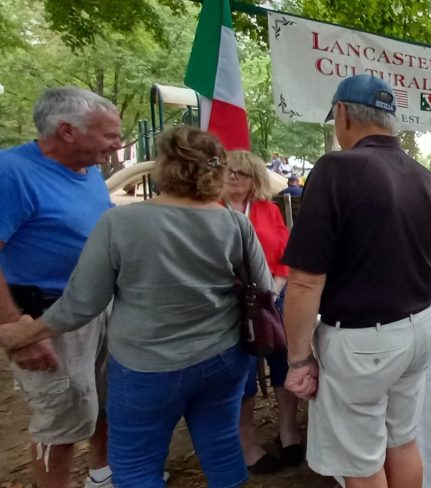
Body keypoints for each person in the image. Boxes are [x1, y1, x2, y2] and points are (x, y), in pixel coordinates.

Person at [0, 126, 274, 487]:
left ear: (165, 165)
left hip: (147, 367)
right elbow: (264, 288)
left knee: (136, 465)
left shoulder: (121, 222)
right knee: (222, 447)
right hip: (224, 358)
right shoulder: (235, 223)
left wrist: (24, 333)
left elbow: (81, 303)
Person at [281, 74, 431, 488]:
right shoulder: (424, 176)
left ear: (342, 114)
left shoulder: (336, 169)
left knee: (361, 462)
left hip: (363, 342)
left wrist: (299, 359)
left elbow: (304, 283)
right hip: (420, 328)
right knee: (402, 442)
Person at [0, 87, 120, 488]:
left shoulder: (89, 170)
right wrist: (17, 329)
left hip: (99, 307)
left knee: (103, 399)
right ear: (68, 131)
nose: (117, 144)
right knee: (62, 419)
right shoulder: (11, 173)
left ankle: (102, 475)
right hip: (48, 317)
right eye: (109, 135)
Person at [221, 151, 302, 472]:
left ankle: (288, 431)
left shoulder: (268, 210)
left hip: (273, 298)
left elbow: (286, 255)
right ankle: (248, 443)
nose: (233, 177)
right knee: (241, 373)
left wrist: (272, 293)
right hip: (228, 305)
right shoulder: (212, 210)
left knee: (284, 362)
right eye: (229, 171)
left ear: (254, 180)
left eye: (241, 173)